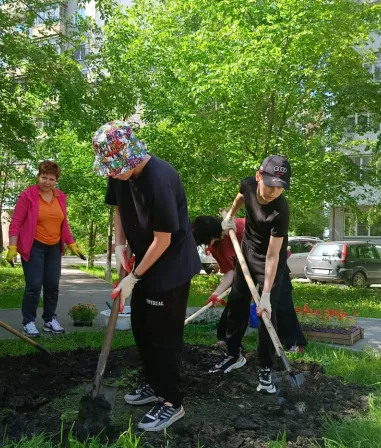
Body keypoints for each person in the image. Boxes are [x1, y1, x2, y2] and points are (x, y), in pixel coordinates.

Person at [93, 120, 200, 432]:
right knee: (141, 327)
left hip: (171, 265)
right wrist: (119, 245)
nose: (112, 174)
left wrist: (133, 278)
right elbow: (118, 208)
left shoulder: (160, 179)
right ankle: (154, 384)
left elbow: (163, 240)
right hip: (143, 259)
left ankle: (171, 401)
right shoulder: (119, 172)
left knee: (163, 336)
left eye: (116, 168)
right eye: (109, 169)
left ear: (131, 156)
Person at [208, 155, 307, 395]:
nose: (274, 191)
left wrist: (266, 295)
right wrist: (230, 217)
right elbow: (240, 197)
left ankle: (265, 369)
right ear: (258, 176)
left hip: (269, 262)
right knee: (236, 304)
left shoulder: (280, 210)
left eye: (280, 187)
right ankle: (233, 354)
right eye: (271, 184)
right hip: (247, 251)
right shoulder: (248, 185)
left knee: (266, 314)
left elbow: (273, 256)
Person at [6, 161, 86, 337]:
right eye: (44, 177)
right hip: (34, 246)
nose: (47, 182)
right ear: (38, 176)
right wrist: (12, 246)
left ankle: (50, 320)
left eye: (51, 179)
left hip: (54, 247)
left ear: (56, 180)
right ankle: (28, 322)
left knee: (52, 285)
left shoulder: (60, 197)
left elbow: (63, 223)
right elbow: (16, 222)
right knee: (34, 285)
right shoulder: (28, 196)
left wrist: (71, 243)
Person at [191, 215, 245, 346]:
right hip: (243, 271)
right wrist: (216, 294)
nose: (208, 243)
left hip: (269, 260)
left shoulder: (237, 227)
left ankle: (289, 342)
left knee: (278, 301)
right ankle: (227, 338)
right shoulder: (215, 247)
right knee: (236, 300)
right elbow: (230, 272)